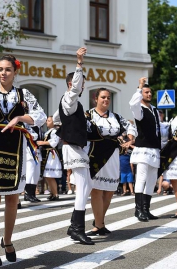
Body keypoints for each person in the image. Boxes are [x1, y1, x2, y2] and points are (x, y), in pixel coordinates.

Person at [0, 54, 46, 266]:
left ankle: (7, 240)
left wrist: (19, 118)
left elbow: (40, 116)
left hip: (16, 146)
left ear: (15, 73)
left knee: (13, 198)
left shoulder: (24, 94)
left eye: (7, 69)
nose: (3, 73)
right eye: (0, 69)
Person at [53, 47, 94, 245]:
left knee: (87, 186)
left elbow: (54, 118)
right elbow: (74, 90)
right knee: (83, 186)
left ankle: (74, 225)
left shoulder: (69, 103)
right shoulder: (70, 97)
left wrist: (54, 122)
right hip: (72, 147)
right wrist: (79, 64)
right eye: (80, 84)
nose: (82, 87)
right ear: (71, 84)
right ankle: (77, 228)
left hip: (77, 147)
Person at [85, 88, 136, 235]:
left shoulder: (116, 117)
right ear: (96, 98)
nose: (106, 100)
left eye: (108, 97)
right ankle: (99, 225)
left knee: (109, 191)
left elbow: (130, 126)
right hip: (96, 154)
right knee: (97, 190)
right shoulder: (88, 115)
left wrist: (130, 138)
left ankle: (99, 221)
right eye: (103, 97)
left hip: (113, 155)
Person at [129, 77, 161, 222]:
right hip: (143, 149)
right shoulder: (139, 110)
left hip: (155, 149)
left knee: (152, 180)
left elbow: (159, 129)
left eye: (150, 92)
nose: (149, 94)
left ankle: (146, 209)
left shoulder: (154, 109)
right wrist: (139, 87)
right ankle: (138, 210)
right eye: (146, 92)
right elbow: (132, 103)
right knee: (141, 178)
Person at [37, 116, 63, 201]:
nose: (46, 122)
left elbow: (54, 142)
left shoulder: (55, 131)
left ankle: (55, 194)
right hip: (47, 154)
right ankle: (52, 193)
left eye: (48, 121)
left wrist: (42, 142)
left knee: (50, 176)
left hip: (51, 155)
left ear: (53, 122)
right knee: (48, 176)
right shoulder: (49, 131)